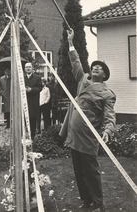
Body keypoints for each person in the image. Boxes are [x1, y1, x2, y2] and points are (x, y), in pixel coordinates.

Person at [60, 28, 116, 212]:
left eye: (99, 67)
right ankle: (86, 200)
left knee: (91, 172)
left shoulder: (107, 94)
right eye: (94, 66)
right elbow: (75, 61)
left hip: (88, 137)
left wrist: (108, 130)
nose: (95, 67)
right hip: (74, 133)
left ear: (104, 75)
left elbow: (109, 116)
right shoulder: (83, 80)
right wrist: (70, 42)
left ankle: (99, 204)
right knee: (78, 171)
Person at [24, 62, 42, 140]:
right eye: (26, 67)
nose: (28, 68)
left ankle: (32, 136)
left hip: (33, 102)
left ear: (32, 68)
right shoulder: (22, 78)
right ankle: (25, 136)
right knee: (24, 119)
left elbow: (39, 88)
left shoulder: (37, 78)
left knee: (33, 120)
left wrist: (31, 90)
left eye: (29, 67)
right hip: (24, 102)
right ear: (25, 69)